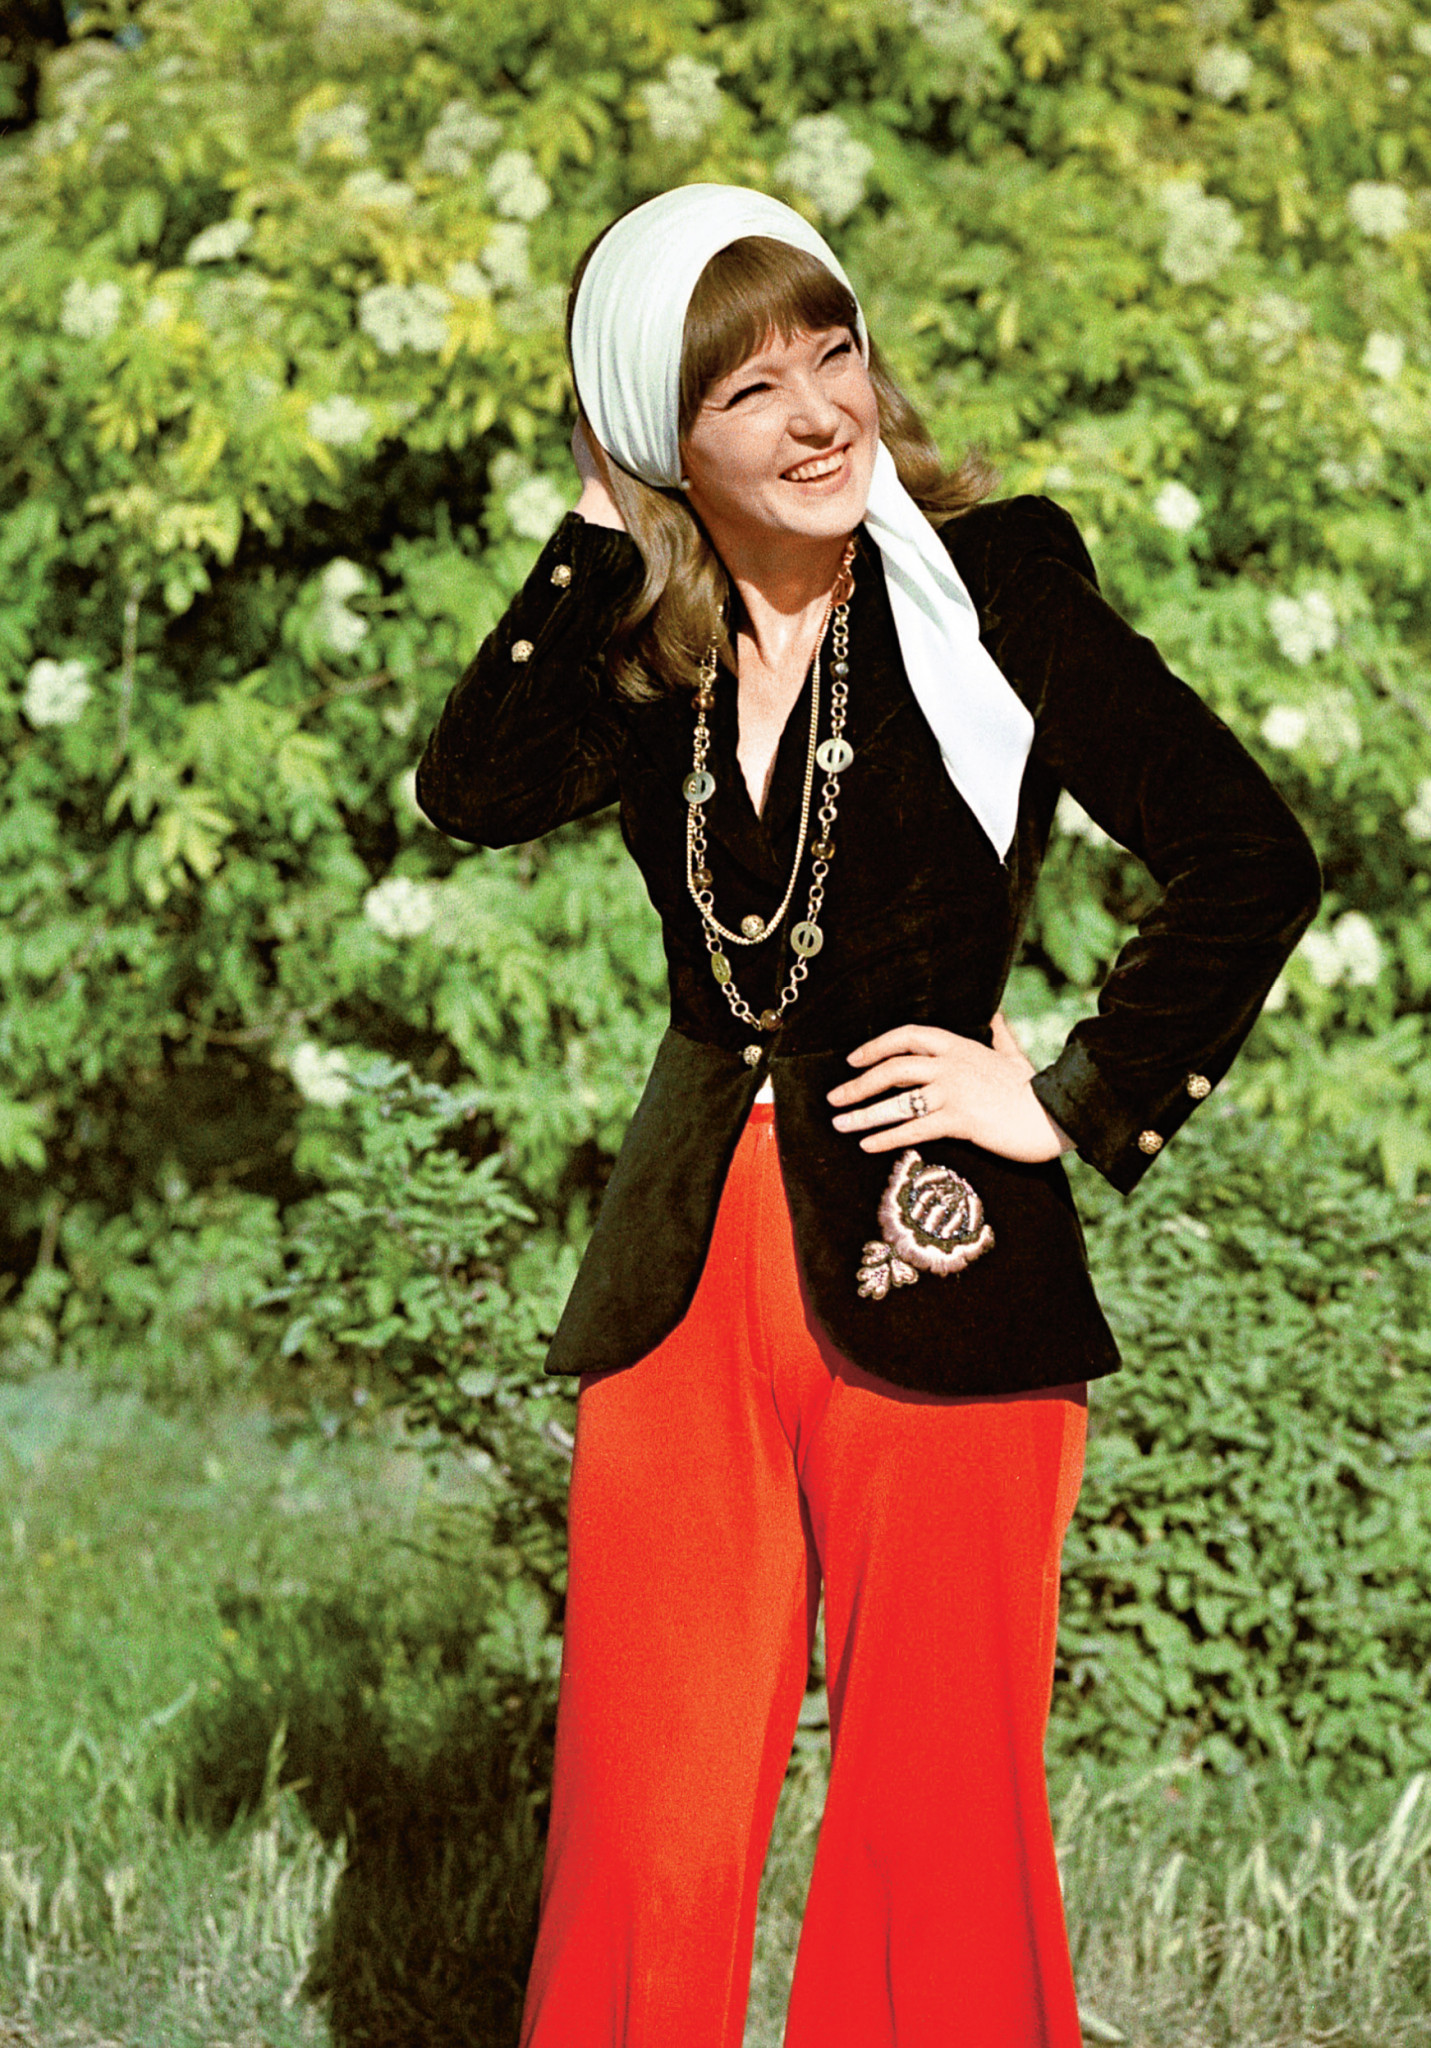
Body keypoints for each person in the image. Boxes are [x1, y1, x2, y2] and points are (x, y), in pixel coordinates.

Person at [415, 184, 1321, 2048]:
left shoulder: (993, 592)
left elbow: (1250, 855)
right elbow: (470, 789)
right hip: (682, 1269)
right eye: (746, 390)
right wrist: (595, 533)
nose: (819, 411)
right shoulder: (646, 654)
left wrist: (1070, 1095)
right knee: (642, 1812)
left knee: (935, 1813)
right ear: (664, 440)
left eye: (832, 353)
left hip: (940, 1244)